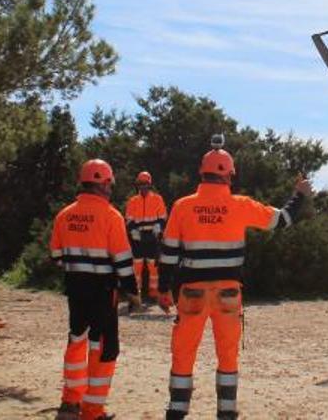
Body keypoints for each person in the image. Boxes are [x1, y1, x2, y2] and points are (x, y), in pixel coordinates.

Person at [158, 134, 312, 420]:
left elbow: (167, 253)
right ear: (230, 174)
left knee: (183, 353)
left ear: (201, 173)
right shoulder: (240, 205)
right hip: (229, 293)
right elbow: (282, 220)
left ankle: (176, 412)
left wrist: (163, 289)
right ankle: (226, 412)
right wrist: (300, 194)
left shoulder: (182, 206)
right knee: (227, 354)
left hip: (191, 292)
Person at [50, 159, 140, 420]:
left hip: (75, 289)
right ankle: (92, 410)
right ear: (102, 183)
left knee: (76, 339)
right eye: (109, 184)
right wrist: (133, 293)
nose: (110, 189)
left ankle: (70, 400)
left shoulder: (64, 214)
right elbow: (123, 261)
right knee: (103, 347)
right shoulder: (111, 216)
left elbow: (56, 256)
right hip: (103, 291)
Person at [124, 170, 168, 310]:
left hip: (152, 237)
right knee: (136, 268)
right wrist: (133, 231)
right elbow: (129, 219)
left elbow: (162, 217)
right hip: (137, 237)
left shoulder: (157, 199)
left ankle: (153, 294)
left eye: (145, 184)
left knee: (153, 267)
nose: (143, 187)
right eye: (141, 184)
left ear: (149, 185)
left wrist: (158, 228)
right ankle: (135, 296)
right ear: (138, 185)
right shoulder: (132, 201)